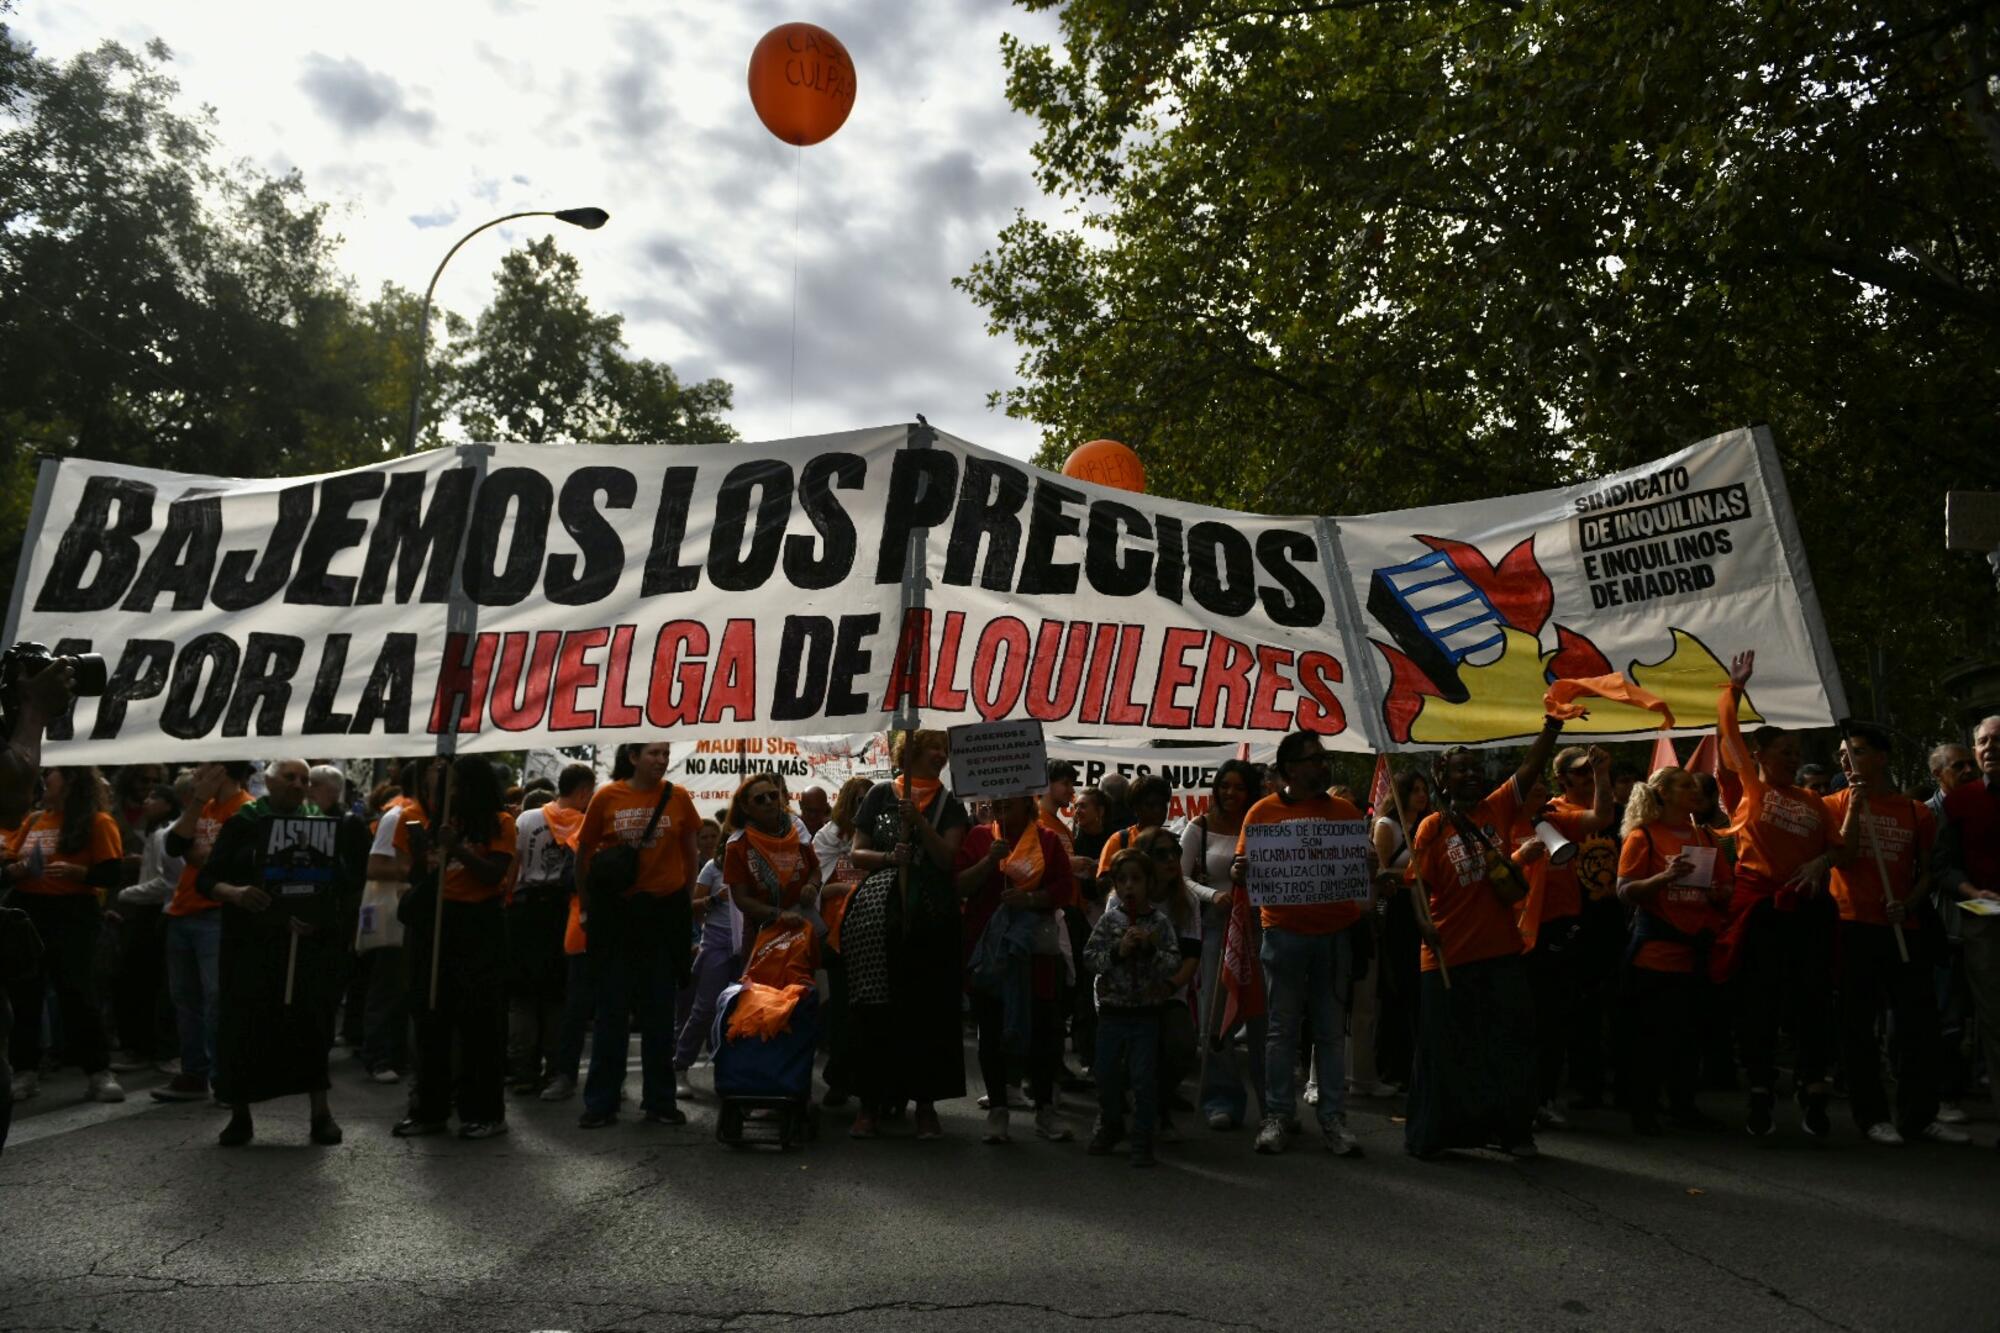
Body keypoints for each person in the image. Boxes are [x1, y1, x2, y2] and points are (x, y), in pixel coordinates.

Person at [1404, 717, 1565, 1160]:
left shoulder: (1497, 808)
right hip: (1447, 956)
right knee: (1448, 1051)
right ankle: (1436, 1133)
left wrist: (1551, 728)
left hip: (1501, 954)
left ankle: (1513, 1131)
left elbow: (1530, 769)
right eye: (1461, 768)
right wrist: (1423, 923)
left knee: (1509, 1046)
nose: (1472, 774)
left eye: (1476, 768)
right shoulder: (1431, 828)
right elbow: (1415, 885)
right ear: (1442, 778)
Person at [1716, 650, 1840, 1138]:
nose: (1793, 760)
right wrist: (1735, 688)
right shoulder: (1748, 790)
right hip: (1761, 913)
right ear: (1760, 757)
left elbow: (1840, 848)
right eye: (1784, 752)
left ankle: (1812, 1087)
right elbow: (1728, 732)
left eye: (1796, 753)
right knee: (1760, 1004)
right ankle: (1761, 1088)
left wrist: (1821, 861)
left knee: (1812, 1003)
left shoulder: (1814, 800)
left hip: (1807, 913)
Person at [1231, 731, 1369, 1157]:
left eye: (1323, 758)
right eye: (1314, 759)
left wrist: (1368, 864)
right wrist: (1241, 870)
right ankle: (1277, 1115)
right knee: (1280, 1031)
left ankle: (1332, 1118)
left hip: (1333, 936)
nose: (1322, 765)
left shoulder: (1346, 812)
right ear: (1291, 767)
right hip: (1284, 934)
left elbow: (1360, 867)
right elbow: (1244, 864)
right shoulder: (1262, 812)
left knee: (1329, 1033)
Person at [1826, 723, 1964, 1145]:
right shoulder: (1833, 804)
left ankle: (1918, 1115)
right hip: (1852, 926)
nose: (1849, 759)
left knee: (1917, 1024)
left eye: (1859, 751)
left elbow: (1926, 872)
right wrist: (1853, 808)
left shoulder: (1914, 812)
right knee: (1857, 1025)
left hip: (1902, 926)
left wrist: (1907, 901)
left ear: (1882, 757)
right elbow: (1842, 857)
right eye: (1844, 754)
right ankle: (1871, 1116)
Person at [198, 758, 346, 1147]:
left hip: (305, 947)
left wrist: (317, 917)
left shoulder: (323, 827)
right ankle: (240, 1116)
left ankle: (321, 1114)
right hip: (250, 947)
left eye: (304, 779)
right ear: (268, 781)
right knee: (244, 1026)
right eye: (289, 777)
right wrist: (236, 893)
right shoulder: (244, 822)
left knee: (311, 1027)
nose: (298, 784)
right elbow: (206, 879)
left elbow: (340, 883)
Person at [844, 729, 970, 1140]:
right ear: (910, 750)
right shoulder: (881, 794)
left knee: (927, 1010)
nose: (940, 755)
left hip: (931, 918)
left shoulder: (950, 805)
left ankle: (926, 1107)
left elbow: (947, 858)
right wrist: (887, 857)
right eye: (933, 747)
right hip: (879, 917)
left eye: (945, 750)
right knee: (875, 1007)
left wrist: (919, 823)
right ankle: (870, 1104)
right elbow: (856, 853)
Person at [575, 741, 700, 1130]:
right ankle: (601, 1103)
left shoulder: (678, 797)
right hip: (617, 918)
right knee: (612, 1013)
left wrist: (683, 901)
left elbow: (691, 853)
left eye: (664, 753)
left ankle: (660, 1101)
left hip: (662, 918)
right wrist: (587, 907)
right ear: (633, 758)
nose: (661, 760)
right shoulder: (606, 797)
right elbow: (584, 854)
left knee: (660, 1014)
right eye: (653, 754)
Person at [397, 756, 515, 1140]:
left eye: (454, 785)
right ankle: (429, 1110)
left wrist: (459, 850)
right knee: (431, 1020)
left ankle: (484, 1112)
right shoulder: (440, 823)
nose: (448, 793)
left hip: (478, 927)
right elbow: (424, 874)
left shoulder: (501, 823)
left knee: (479, 1025)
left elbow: (493, 874)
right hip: (437, 925)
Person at [1615, 767, 1730, 1135]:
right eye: (1684, 785)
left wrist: (1718, 894)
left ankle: (1683, 1104)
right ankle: (1644, 1110)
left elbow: (1727, 887)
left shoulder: (1705, 837)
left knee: (1688, 1036)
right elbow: (1625, 890)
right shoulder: (1643, 835)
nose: (1694, 791)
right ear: (1662, 793)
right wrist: (1664, 878)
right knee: (1650, 1036)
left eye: (1695, 785)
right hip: (1656, 955)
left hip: (1695, 956)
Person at [960, 792, 1076, 1144]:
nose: (1001, 809)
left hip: (1034, 956)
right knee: (991, 1032)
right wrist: (987, 863)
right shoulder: (981, 838)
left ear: (1029, 805)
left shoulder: (1047, 840)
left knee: (1043, 1031)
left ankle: (1045, 1109)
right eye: (996, 804)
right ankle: (998, 1109)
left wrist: (1031, 899)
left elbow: (1064, 889)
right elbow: (959, 884)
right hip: (990, 953)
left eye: (1009, 803)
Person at [4, 766, 125, 1104]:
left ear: (71, 781)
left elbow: (112, 872)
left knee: (77, 991)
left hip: (73, 913)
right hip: (30, 910)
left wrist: (80, 872)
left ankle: (99, 1072)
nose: (44, 781)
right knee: (25, 993)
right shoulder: (33, 820)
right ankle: (24, 1070)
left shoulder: (98, 822)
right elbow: (11, 858)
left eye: (51, 776)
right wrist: (14, 869)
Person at [1521, 745, 1614, 1130]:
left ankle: (1543, 1096)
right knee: (1527, 1020)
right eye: (1582, 772)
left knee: (1553, 1019)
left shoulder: (1559, 817)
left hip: (1561, 927)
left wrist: (1604, 774)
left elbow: (1602, 816)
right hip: (1519, 930)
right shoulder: (1538, 815)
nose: (1588, 776)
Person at [155, 762, 254, 1102]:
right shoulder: (205, 807)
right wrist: (197, 802)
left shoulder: (246, 810)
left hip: (216, 915)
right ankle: (194, 1073)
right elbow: (173, 846)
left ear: (222, 770)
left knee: (216, 1000)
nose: (197, 773)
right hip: (183, 910)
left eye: (204, 767)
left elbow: (215, 863)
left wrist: (195, 853)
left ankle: (223, 1077)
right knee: (186, 999)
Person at [1083, 847, 1180, 1167]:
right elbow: (1090, 960)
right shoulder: (1109, 921)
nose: (1129, 887)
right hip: (1113, 1012)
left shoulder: (1160, 923)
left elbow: (1172, 964)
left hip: (1145, 1014)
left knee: (1143, 1078)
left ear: (1149, 883)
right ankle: (1111, 1125)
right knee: (1106, 1074)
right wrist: (1118, 951)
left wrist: (1150, 950)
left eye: (1136, 880)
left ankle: (1142, 1137)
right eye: (1122, 880)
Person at [1931, 714, 2000, 1151]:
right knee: (1995, 1025)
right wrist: (1971, 889)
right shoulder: (1960, 803)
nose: (1989, 747)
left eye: (1997, 739)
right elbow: (1941, 866)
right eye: (1982, 741)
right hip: (1985, 925)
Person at [1186, 759, 1263, 1129]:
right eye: (1224, 786)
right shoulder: (1198, 829)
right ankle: (1222, 1099)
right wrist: (1211, 894)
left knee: (1263, 1020)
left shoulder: (1263, 826)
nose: (1230, 793)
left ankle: (1272, 1105)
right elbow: (1179, 877)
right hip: (1216, 929)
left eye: (1239, 787)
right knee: (1216, 1019)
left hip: (1261, 928)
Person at [508, 763, 591, 1095]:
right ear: (583, 791)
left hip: (525, 911)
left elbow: (513, 868)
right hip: (562, 911)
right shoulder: (584, 824)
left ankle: (522, 1069)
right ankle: (555, 1066)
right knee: (558, 995)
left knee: (522, 996)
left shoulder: (526, 819)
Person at [360, 759, 439, 1086]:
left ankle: (398, 1054)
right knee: (388, 987)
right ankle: (379, 1057)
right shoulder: (397, 817)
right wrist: (422, 870)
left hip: (414, 912)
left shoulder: (430, 816)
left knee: (406, 987)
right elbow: (375, 868)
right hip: (394, 912)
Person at [107, 780, 181, 1080]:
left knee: (145, 983)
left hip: (154, 912)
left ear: (167, 804)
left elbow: (166, 882)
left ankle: (152, 1048)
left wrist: (127, 894)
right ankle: (144, 1046)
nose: (147, 801)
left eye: (154, 796)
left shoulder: (165, 835)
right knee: (138, 983)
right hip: (145, 911)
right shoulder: (155, 833)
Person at [811, 776, 873, 1107]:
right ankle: (838, 1078)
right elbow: (817, 888)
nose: (863, 807)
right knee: (840, 1010)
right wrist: (844, 890)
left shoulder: (877, 835)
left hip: (870, 929)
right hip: (837, 934)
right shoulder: (827, 837)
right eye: (858, 800)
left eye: (869, 801)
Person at [1925, 740, 1978, 1126]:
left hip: (1980, 929)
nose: (1967, 771)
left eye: (1969, 765)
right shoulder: (1924, 816)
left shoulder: (1981, 808)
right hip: (1943, 929)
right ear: (1937, 773)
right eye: (1957, 766)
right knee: (1947, 1016)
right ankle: (1943, 1094)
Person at [1136, 824, 1200, 1140]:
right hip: (1128, 992)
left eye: (1175, 852)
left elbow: (1191, 955)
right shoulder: (1124, 898)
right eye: (1161, 854)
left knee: (1181, 1046)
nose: (1171, 860)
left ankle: (1158, 1105)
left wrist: (1171, 985)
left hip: (1169, 990)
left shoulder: (1187, 901)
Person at [1369, 769, 1429, 1093]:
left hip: (1422, 906)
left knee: (1417, 989)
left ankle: (1414, 1062)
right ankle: (1391, 1064)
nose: (1422, 795)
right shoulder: (1386, 826)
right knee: (1395, 986)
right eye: (1415, 789)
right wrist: (1412, 873)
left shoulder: (1426, 825)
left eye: (1424, 790)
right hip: (1397, 910)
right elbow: (1379, 871)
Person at [672, 818, 732, 1088]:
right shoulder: (711, 867)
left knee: (738, 1014)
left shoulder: (755, 863)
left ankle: (731, 1073)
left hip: (749, 943)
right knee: (704, 1009)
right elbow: (692, 909)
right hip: (716, 943)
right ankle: (680, 1066)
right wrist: (716, 899)